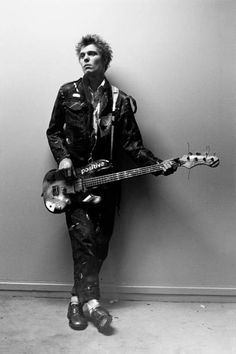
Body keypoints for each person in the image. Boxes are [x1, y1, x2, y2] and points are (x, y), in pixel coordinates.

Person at [46, 34, 177, 333]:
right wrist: (63, 158)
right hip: (73, 183)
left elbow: (132, 145)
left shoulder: (120, 100)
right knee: (84, 242)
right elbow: (53, 131)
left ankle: (76, 300)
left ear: (105, 60)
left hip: (107, 184)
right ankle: (90, 305)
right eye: (82, 55)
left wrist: (158, 166)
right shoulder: (67, 92)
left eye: (93, 54)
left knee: (101, 245)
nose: (86, 58)